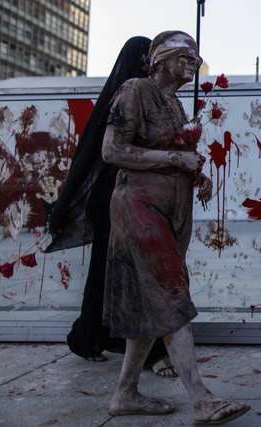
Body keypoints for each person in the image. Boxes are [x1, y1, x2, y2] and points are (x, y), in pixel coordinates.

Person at [101, 30, 249, 423]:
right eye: (185, 55)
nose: (193, 63)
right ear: (161, 59)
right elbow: (112, 150)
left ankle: (125, 393)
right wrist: (173, 157)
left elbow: (176, 156)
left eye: (196, 58)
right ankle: (201, 398)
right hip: (139, 206)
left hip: (171, 209)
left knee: (152, 302)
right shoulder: (136, 91)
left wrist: (193, 170)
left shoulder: (175, 104)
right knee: (170, 292)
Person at [47, 37, 175, 377]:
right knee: (133, 275)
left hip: (128, 197)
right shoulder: (128, 98)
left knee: (111, 273)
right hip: (117, 200)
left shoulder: (141, 96)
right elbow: (100, 154)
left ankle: (89, 337)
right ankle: (146, 351)